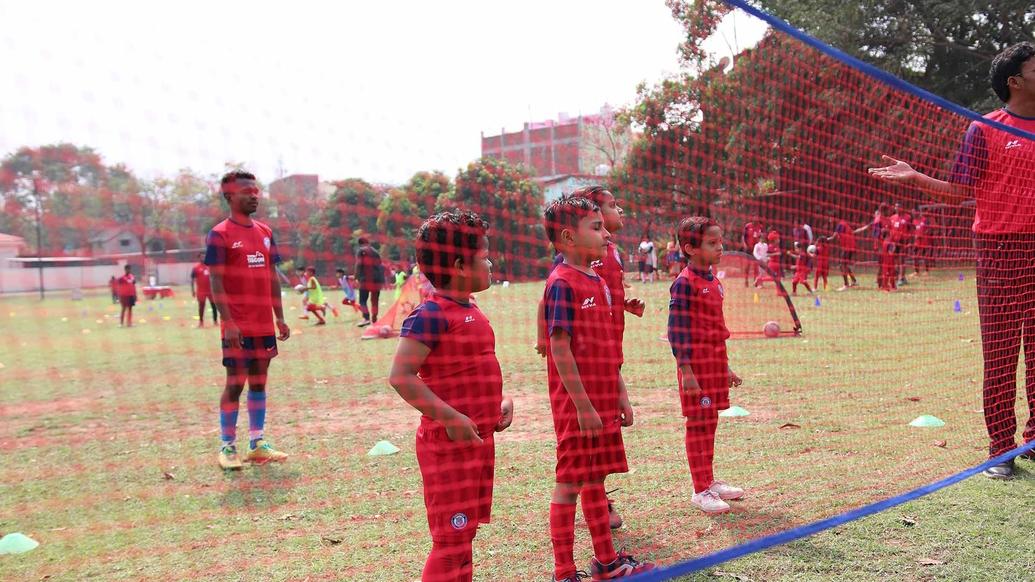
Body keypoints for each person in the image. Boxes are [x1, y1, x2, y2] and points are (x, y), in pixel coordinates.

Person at [868, 42, 1035, 478]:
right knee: (1001, 353)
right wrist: (915, 176)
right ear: (1015, 81)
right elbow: (961, 190)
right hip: (1000, 250)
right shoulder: (985, 129)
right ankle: (1001, 449)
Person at [388, 210, 513, 582]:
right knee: (450, 542)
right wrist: (450, 418)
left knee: (464, 535)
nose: (490, 262)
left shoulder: (471, 308)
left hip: (476, 442)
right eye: (484, 255)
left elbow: (473, 369)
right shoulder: (429, 314)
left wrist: (499, 404)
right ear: (460, 265)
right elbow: (401, 376)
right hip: (447, 448)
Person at [542, 194, 653, 580]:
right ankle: (563, 570)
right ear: (568, 238)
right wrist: (583, 406)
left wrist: (619, 391)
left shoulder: (599, 281)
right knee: (569, 483)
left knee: (595, 478)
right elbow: (558, 346)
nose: (606, 234)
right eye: (596, 227)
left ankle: (606, 563)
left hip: (604, 398)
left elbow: (606, 345)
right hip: (579, 406)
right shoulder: (561, 283)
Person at [205, 170, 291, 470]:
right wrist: (227, 322)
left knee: (259, 382)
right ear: (230, 196)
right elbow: (215, 282)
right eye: (246, 191)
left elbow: (271, 278)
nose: (254, 195)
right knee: (235, 384)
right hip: (237, 326)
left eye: (256, 190)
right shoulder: (220, 234)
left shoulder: (265, 233)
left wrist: (279, 317)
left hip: (263, 325)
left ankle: (257, 443)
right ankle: (227, 446)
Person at [668, 216, 745, 514]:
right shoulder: (684, 284)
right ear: (690, 248)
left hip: (714, 363)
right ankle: (699, 490)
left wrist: (725, 367)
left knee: (710, 421)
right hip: (696, 367)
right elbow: (677, 330)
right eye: (712, 243)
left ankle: (709, 481)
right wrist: (686, 371)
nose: (720, 247)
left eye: (720, 241)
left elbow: (717, 329)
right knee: (697, 425)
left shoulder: (715, 282)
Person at [355, 237, 386, 327]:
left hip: (366, 279)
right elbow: (380, 264)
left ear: (360, 244)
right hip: (377, 279)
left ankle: (366, 318)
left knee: (362, 300)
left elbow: (359, 264)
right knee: (375, 299)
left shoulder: (361, 251)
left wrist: (356, 276)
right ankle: (374, 317)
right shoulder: (375, 252)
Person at [830, 218, 859, 290]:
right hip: (850, 247)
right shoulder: (844, 223)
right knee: (844, 265)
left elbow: (833, 237)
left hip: (848, 248)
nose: (830, 221)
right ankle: (854, 281)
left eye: (830, 219)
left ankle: (846, 285)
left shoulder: (840, 225)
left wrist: (823, 240)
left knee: (842, 265)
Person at [888, 203, 913, 286]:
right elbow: (890, 230)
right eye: (896, 207)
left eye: (899, 206)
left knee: (902, 260)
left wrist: (909, 241)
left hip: (903, 242)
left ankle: (901, 278)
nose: (897, 208)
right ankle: (898, 276)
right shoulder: (892, 218)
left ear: (902, 208)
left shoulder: (907, 217)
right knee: (893, 260)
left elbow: (911, 229)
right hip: (893, 242)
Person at [190, 252, 217, 327]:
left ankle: (215, 321)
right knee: (201, 306)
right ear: (199, 258)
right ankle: (201, 322)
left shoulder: (210, 266)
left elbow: (215, 277)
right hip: (201, 291)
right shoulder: (196, 268)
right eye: (202, 257)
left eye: (204, 257)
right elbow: (192, 279)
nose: (203, 258)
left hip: (211, 291)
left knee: (214, 306)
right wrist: (192, 290)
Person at [742, 218, 764, 287]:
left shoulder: (760, 227)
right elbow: (744, 236)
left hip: (756, 249)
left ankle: (756, 281)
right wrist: (745, 244)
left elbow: (762, 237)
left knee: (756, 265)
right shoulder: (748, 226)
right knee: (747, 265)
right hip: (748, 248)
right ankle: (746, 280)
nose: (755, 220)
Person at [912, 211, 933, 275]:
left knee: (925, 256)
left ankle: (927, 271)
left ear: (918, 212)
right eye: (912, 213)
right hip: (917, 242)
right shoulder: (913, 221)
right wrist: (914, 236)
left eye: (914, 212)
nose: (913, 214)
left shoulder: (925, 220)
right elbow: (913, 230)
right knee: (915, 256)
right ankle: (916, 272)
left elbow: (929, 229)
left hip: (925, 241)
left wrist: (923, 235)